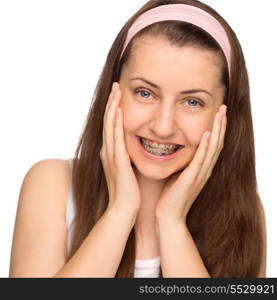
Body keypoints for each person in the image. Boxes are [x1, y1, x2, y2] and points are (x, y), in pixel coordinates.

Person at [9, 0, 266, 278]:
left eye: (192, 102)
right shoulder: (53, 185)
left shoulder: (243, 210)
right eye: (145, 93)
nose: (163, 126)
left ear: (223, 114)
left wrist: (171, 223)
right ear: (113, 92)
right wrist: (120, 212)